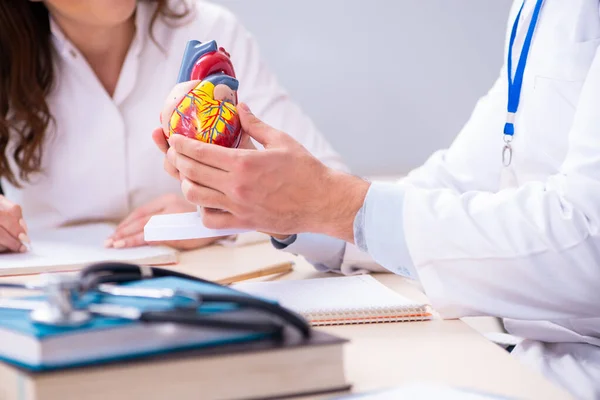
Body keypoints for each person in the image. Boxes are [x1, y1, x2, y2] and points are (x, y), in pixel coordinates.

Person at [155, 0, 600, 398]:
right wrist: (287, 210)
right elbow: (455, 183)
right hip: (527, 357)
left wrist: (335, 204)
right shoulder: (537, 10)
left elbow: (587, 245)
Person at [0, 0, 346, 252]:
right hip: (44, 290)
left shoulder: (210, 34)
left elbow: (329, 197)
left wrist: (222, 217)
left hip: (203, 284)